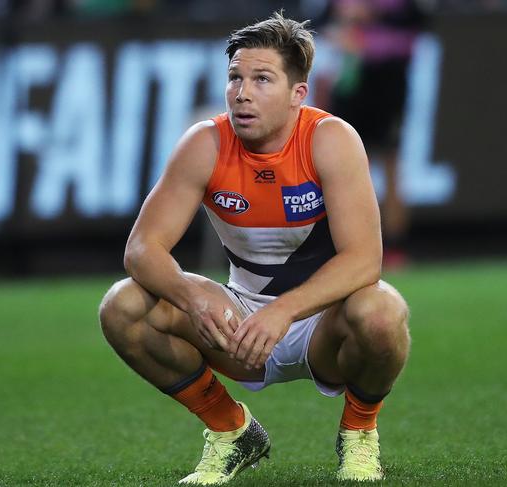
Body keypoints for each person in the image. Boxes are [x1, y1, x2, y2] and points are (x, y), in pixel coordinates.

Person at [99, 11, 410, 485]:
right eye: (234, 77)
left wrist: (284, 311)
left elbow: (364, 260)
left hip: (321, 323)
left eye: (262, 79)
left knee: (383, 312)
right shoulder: (205, 142)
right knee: (122, 306)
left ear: (297, 94)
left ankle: (359, 432)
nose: (241, 93)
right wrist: (190, 294)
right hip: (238, 321)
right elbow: (142, 248)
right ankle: (231, 431)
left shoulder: (330, 139)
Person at [324, 0, 425, 267]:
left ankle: (394, 247)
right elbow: (321, 28)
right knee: (343, 171)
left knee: (391, 167)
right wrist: (343, 31)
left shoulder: (405, 7)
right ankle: (345, 248)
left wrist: (368, 38)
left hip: (388, 90)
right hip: (349, 90)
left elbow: (414, 37)